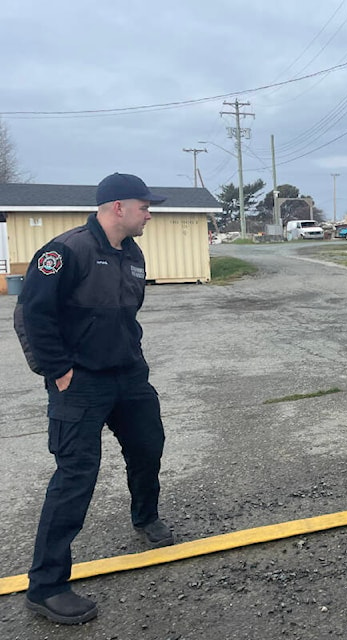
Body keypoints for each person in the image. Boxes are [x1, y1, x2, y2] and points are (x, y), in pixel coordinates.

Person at [13, 173, 173, 625]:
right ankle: (46, 588)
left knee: (148, 448)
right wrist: (58, 372)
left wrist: (134, 359)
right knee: (75, 476)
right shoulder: (65, 251)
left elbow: (126, 315)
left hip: (128, 376)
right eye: (144, 206)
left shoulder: (132, 252)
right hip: (80, 383)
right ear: (117, 207)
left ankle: (146, 517)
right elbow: (31, 315)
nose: (149, 213)